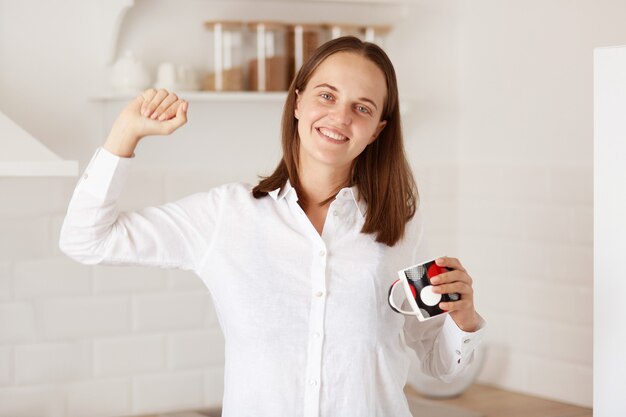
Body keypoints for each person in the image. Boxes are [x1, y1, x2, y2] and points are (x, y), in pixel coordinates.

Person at [60, 36, 485, 417]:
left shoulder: (399, 223)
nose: (340, 117)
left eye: (362, 108)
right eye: (326, 95)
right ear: (297, 102)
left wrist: (462, 321)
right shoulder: (226, 215)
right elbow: (86, 240)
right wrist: (124, 134)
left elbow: (438, 361)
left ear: (377, 131)